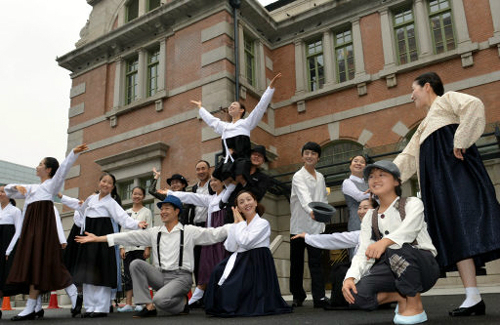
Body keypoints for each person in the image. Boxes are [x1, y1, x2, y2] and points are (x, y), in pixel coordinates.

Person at [393, 72, 500, 316]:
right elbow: (407, 157)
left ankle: (473, 297)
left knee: (473, 218)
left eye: (414, 89)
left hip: (456, 173)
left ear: (427, 87)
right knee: (455, 231)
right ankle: (473, 298)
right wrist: (382, 177)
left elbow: (474, 105)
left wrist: (461, 139)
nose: (411, 95)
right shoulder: (422, 127)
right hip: (438, 184)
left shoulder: (447, 99)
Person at [75, 195, 232, 318]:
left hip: (181, 278)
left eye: (167, 208)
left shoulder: (189, 231)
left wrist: (237, 226)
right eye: (161, 209)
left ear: (177, 211)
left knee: (160, 300)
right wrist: (98, 238)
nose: (162, 212)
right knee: (136, 264)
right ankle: (147, 306)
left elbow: (215, 234)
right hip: (161, 276)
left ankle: (182, 302)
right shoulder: (154, 232)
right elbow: (127, 237)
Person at [342, 160, 439, 324]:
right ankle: (401, 298)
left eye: (382, 175)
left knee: (396, 247)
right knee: (355, 295)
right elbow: (363, 251)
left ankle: (415, 305)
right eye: (371, 176)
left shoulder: (412, 203)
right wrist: (350, 278)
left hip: (423, 267)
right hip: (392, 268)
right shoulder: (370, 217)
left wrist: (384, 241)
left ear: (396, 181)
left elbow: (408, 230)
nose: (375, 179)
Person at [3, 144, 88, 321]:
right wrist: (16, 187)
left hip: (42, 231)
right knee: (36, 266)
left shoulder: (51, 185)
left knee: (42, 263)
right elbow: (8, 190)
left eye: (40, 164)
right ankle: (34, 306)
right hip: (30, 232)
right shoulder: (32, 188)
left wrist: (73, 153)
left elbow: (63, 170)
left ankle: (33, 307)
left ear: (48, 169)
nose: (37, 166)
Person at [204, 190, 293, 317]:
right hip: (241, 258)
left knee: (232, 285)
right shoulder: (240, 224)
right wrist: (235, 226)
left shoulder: (263, 223)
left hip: (256, 260)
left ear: (255, 202)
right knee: (218, 270)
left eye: (249, 199)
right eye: (241, 202)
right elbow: (230, 246)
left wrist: (239, 223)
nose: (246, 203)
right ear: (239, 209)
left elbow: (246, 242)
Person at [71, 172, 147, 318]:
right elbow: (80, 213)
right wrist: (82, 225)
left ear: (112, 187)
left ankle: (101, 307)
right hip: (88, 238)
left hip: (102, 238)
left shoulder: (111, 202)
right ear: (99, 182)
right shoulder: (90, 199)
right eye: (103, 181)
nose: (105, 184)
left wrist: (137, 224)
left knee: (101, 271)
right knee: (88, 271)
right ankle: (89, 307)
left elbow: (123, 218)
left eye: (109, 183)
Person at [163, 169, 236, 307]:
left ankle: (221, 298)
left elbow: (232, 184)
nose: (213, 183)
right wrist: (169, 193)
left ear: (223, 182)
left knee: (222, 268)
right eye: (212, 180)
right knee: (205, 267)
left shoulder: (228, 194)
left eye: (216, 180)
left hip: (222, 238)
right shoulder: (210, 199)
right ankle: (197, 297)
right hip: (209, 237)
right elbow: (191, 197)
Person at [192, 73, 281, 183]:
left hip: (241, 162)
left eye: (234, 105)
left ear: (241, 110)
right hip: (227, 162)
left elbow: (260, 108)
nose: (231, 106)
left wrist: (270, 88)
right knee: (217, 179)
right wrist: (200, 108)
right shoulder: (224, 126)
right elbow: (211, 120)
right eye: (230, 106)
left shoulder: (246, 123)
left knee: (240, 178)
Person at [291, 198, 378, 308]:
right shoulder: (360, 233)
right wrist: (307, 237)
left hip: (379, 273)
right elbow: (335, 239)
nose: (361, 211)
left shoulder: (382, 228)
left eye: (366, 208)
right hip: (364, 273)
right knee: (340, 270)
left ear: (376, 211)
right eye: (359, 208)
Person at [289, 141, 329, 308]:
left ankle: (319, 297)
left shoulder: (320, 177)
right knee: (297, 264)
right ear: (302, 156)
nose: (309, 156)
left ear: (318, 157)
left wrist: (324, 215)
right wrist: (311, 210)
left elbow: (323, 198)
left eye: (313, 153)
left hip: (315, 228)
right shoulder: (298, 176)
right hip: (298, 226)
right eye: (307, 153)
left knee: (316, 263)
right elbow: (304, 196)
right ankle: (298, 296)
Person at [117, 186, 153, 313]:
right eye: (134, 194)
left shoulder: (147, 212)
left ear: (143, 196)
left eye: (139, 194)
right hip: (128, 248)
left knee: (139, 276)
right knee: (128, 275)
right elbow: (123, 230)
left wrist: (147, 248)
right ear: (131, 195)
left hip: (140, 248)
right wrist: (122, 247)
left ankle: (141, 302)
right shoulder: (126, 212)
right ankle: (128, 303)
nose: (136, 196)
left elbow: (149, 231)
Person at [188, 160, 215, 293]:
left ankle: (209, 292)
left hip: (208, 226)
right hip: (195, 226)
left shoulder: (213, 185)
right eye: (198, 169)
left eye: (203, 168)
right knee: (197, 260)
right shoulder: (194, 188)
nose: (201, 171)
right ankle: (200, 292)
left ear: (209, 169)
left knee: (208, 260)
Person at [0, 186, 22, 319]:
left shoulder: (15, 211)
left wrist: (9, 250)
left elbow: (18, 231)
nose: (0, 194)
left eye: (2, 192)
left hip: (7, 247)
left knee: (4, 277)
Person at [342, 155, 370, 259]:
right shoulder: (347, 182)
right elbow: (359, 196)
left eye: (362, 162)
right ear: (350, 166)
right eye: (355, 161)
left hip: (372, 220)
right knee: (358, 253)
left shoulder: (369, 182)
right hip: (357, 221)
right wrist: (375, 193)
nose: (359, 163)